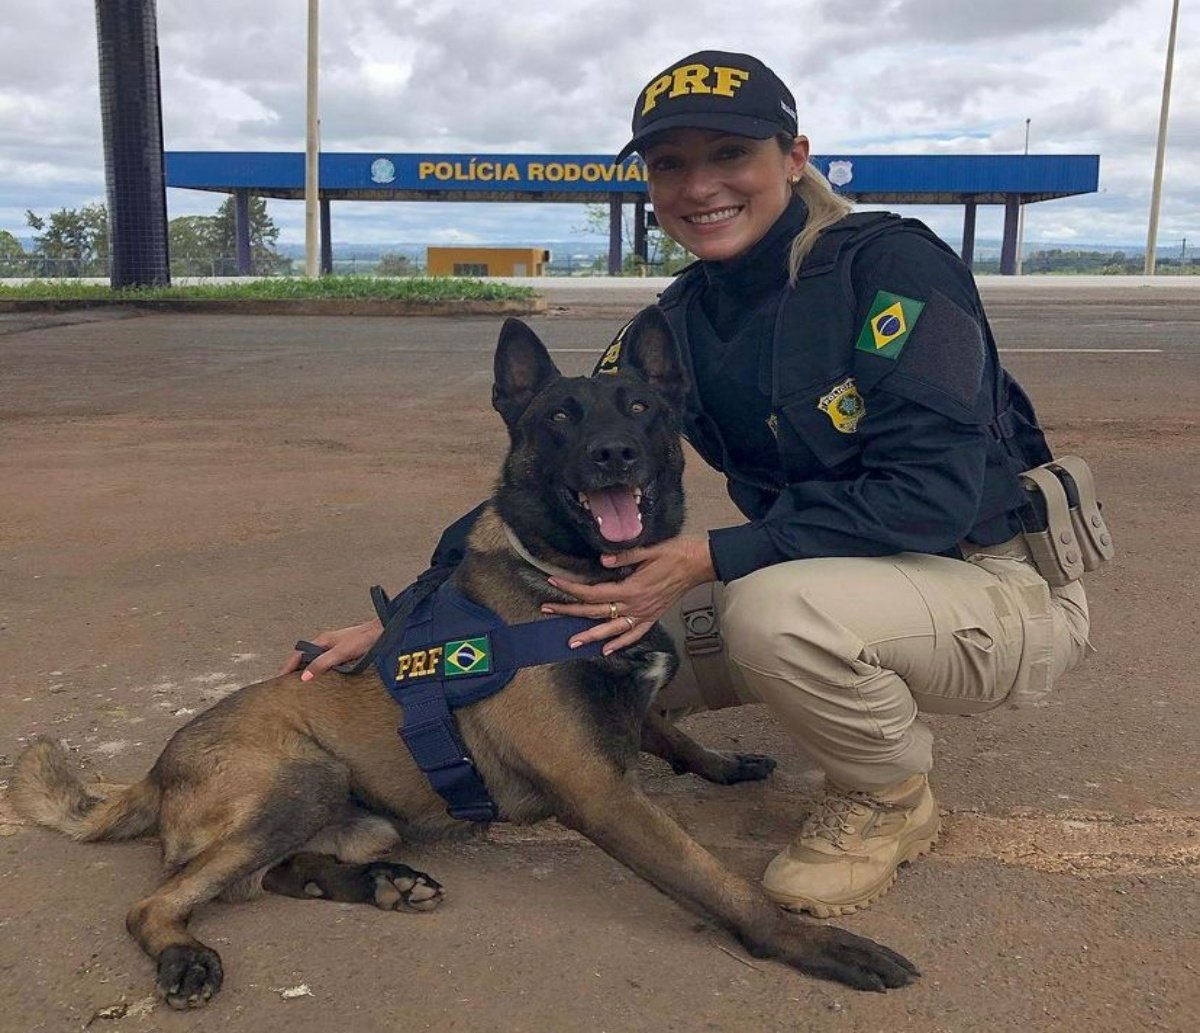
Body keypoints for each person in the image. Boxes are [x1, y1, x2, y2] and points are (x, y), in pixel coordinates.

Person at [283, 50, 1093, 919]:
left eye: (729, 154)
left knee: (772, 615)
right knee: (559, 640)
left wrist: (709, 554)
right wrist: (412, 615)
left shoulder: (890, 268)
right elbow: (547, 448)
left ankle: (888, 797)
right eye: (671, 164)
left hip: (989, 582)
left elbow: (931, 496)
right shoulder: (675, 321)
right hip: (820, 570)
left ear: (793, 156)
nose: (700, 185)